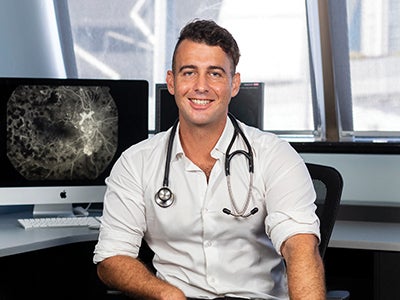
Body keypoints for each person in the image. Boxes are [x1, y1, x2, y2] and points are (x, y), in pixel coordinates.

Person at [93, 19, 325, 300]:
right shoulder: (136, 163)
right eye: (189, 72)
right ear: (172, 82)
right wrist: (168, 294)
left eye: (215, 74)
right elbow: (112, 258)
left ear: (234, 83)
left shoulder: (275, 155)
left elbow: (300, 247)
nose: (201, 86)